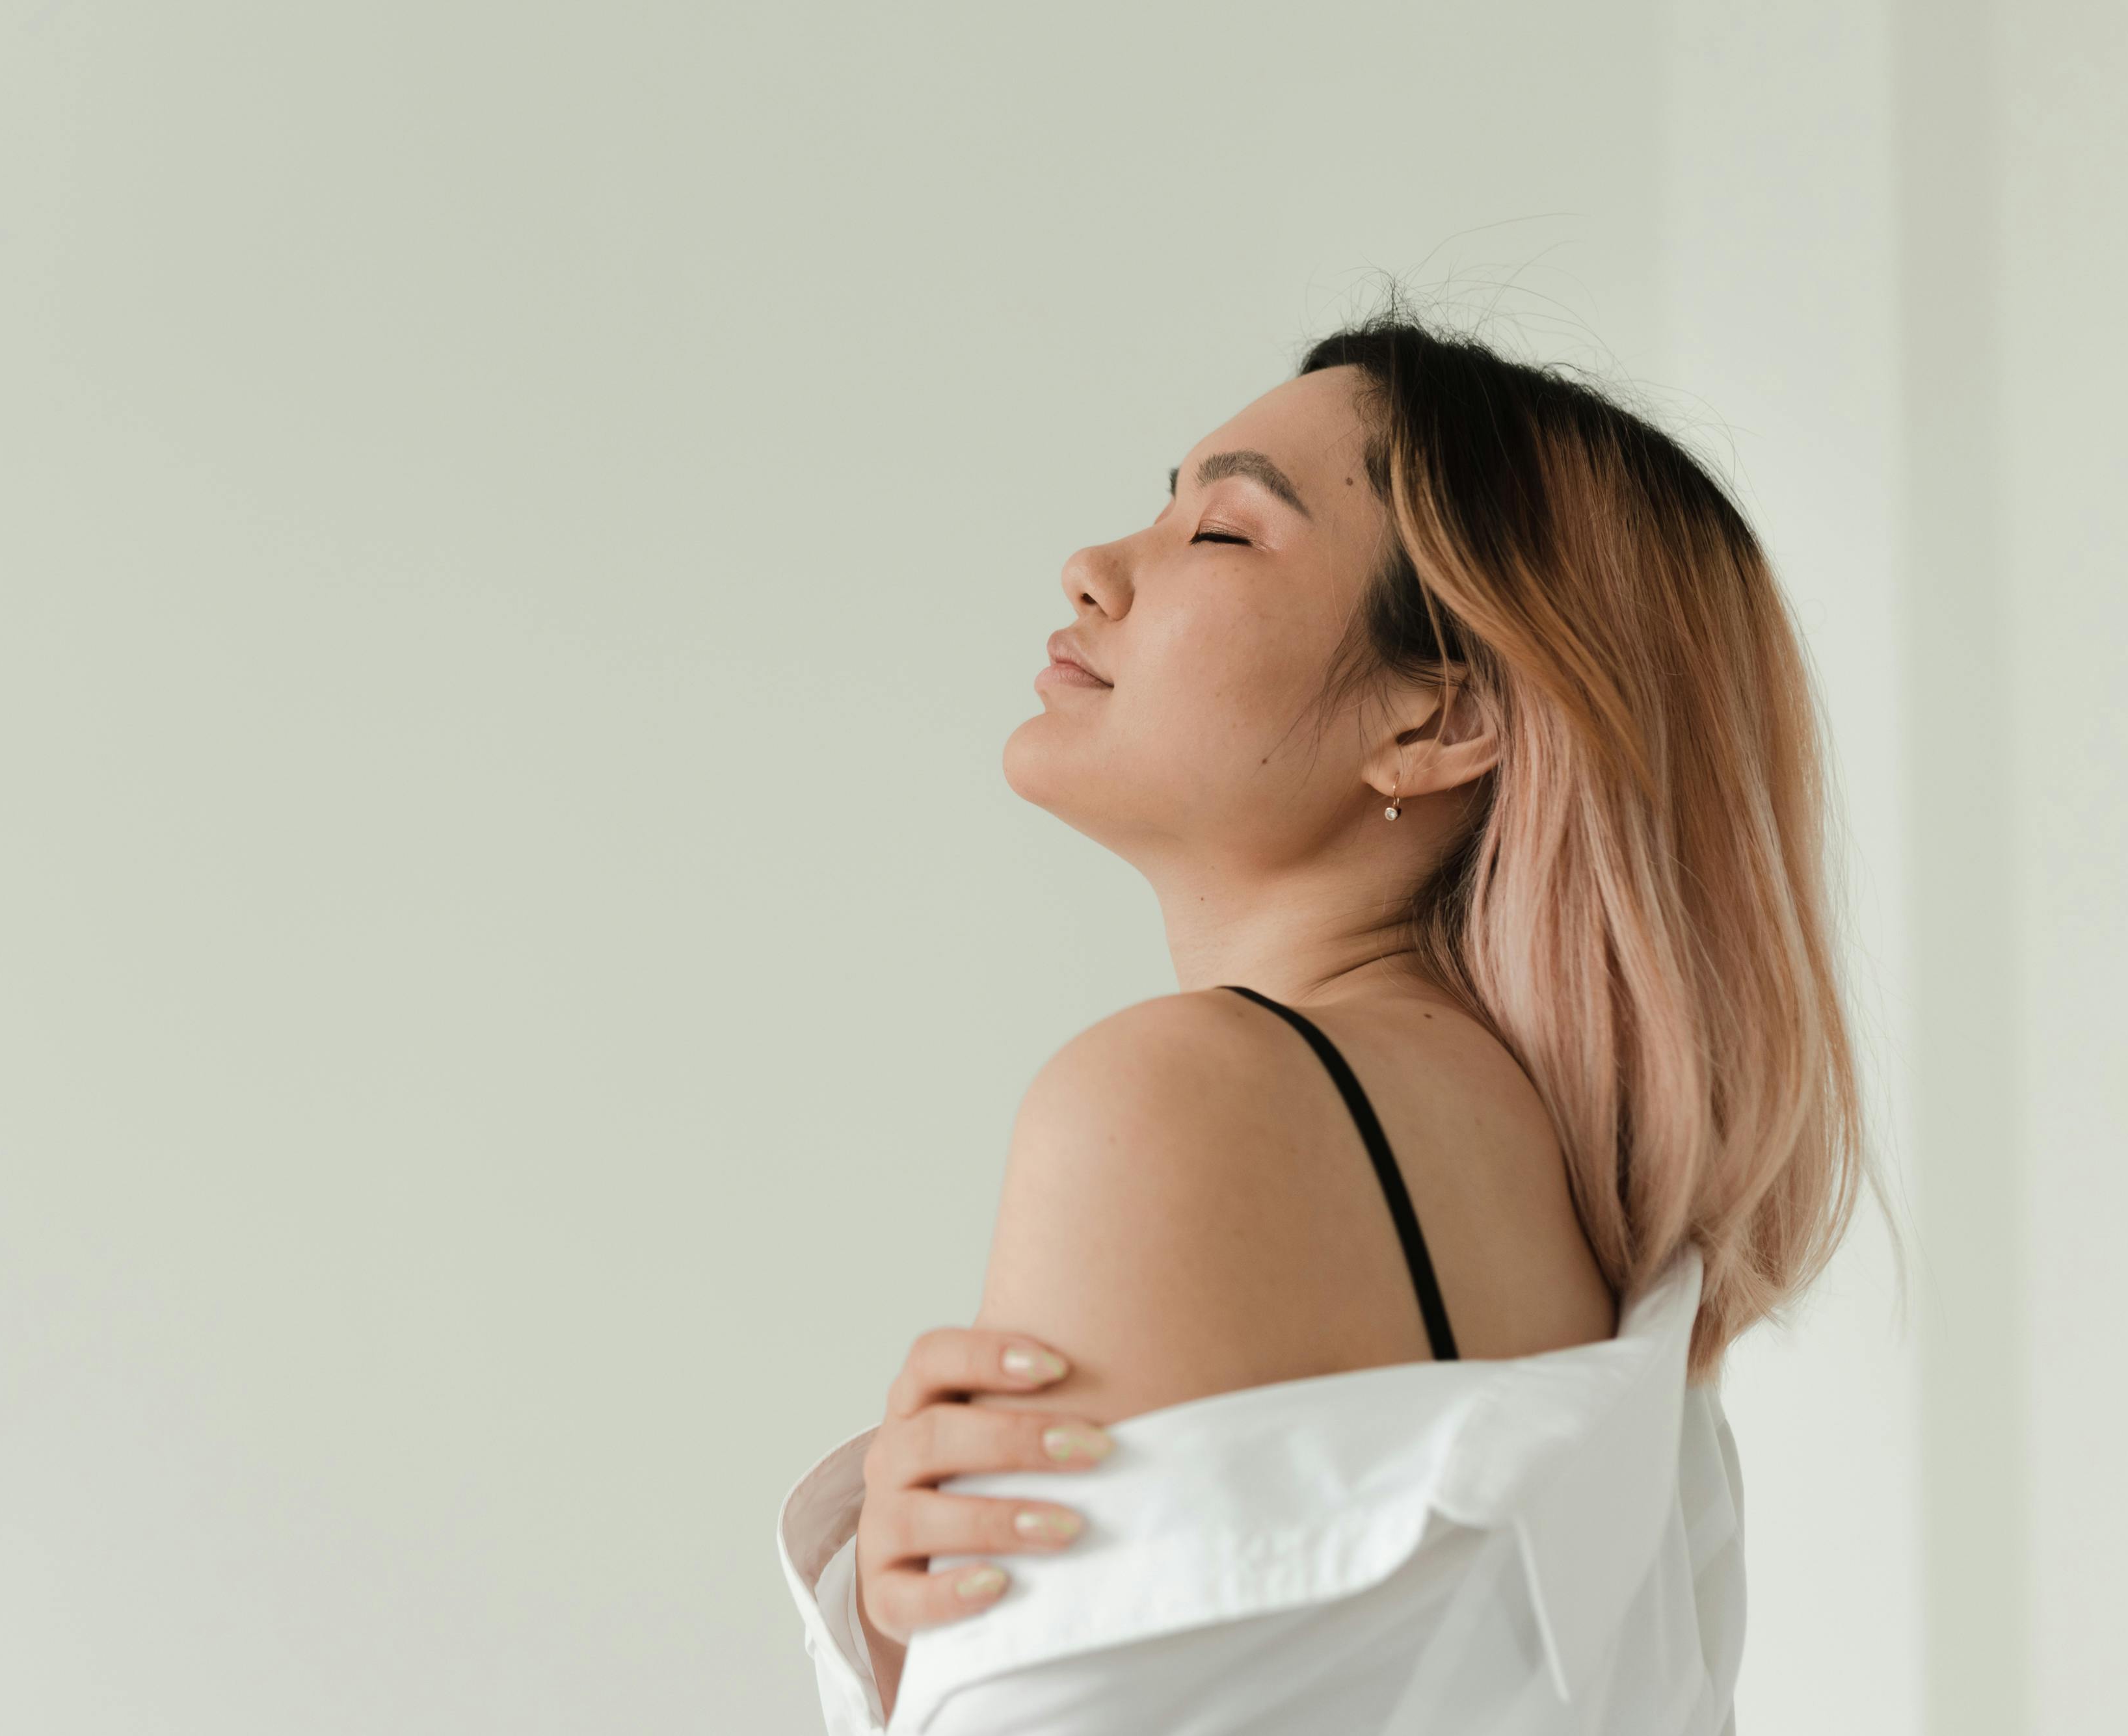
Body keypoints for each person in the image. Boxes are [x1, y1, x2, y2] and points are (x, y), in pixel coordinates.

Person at [773, 302, 1869, 1735]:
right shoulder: (1601, 1253)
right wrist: (911, 1637)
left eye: (1220, 532)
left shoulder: (1181, 1100)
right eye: (1162, 505)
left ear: (1434, 718)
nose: (1095, 569)